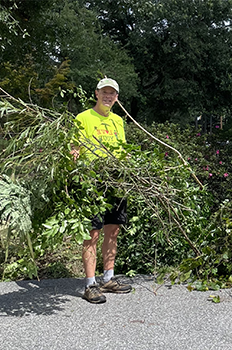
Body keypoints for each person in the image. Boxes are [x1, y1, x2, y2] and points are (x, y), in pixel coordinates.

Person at [72, 77, 134, 304]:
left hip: (115, 181)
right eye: (104, 92)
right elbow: (75, 149)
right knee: (92, 233)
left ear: (117, 97)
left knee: (113, 230)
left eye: (112, 94)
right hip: (92, 181)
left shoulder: (118, 121)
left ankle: (108, 278)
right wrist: (77, 175)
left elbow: (123, 150)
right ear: (96, 94)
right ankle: (90, 284)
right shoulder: (83, 118)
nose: (108, 96)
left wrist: (128, 172)